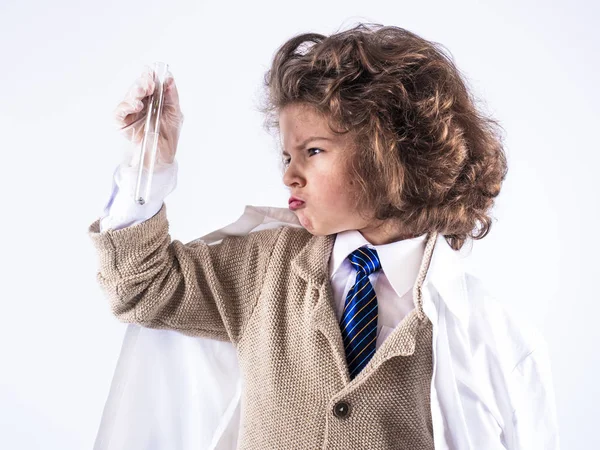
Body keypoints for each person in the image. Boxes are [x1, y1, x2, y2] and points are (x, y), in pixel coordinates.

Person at [88, 23, 559, 449]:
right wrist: (149, 166)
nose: (290, 174)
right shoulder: (264, 269)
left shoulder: (492, 338)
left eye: (313, 151)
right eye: (286, 156)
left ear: (389, 155)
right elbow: (141, 287)